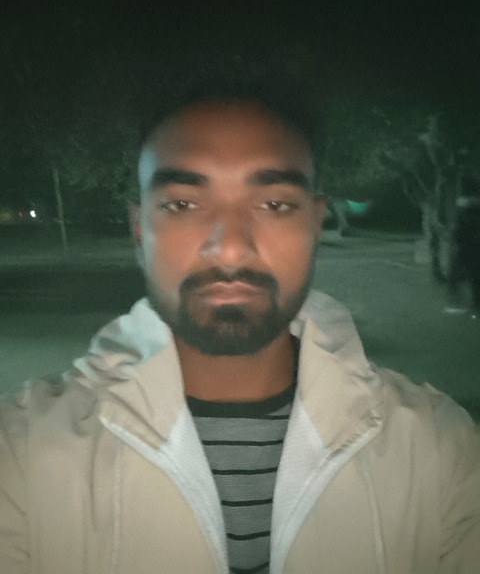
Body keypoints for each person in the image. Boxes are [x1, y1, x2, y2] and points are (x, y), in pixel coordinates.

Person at [1, 81, 479, 574]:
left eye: (274, 205)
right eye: (182, 204)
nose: (230, 248)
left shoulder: (439, 450)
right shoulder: (19, 452)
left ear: (315, 225)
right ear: (139, 230)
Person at [445, 196, 480, 318]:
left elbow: (457, 235)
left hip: (465, 250)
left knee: (459, 276)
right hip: (474, 250)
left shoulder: (462, 218)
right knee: (475, 278)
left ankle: (459, 303)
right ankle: (475, 303)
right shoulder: (474, 218)